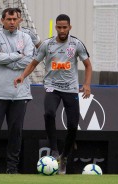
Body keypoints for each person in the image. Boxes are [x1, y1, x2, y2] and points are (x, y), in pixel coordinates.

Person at [14, 14, 92, 175]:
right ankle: (55, 150)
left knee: (72, 125)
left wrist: (86, 85)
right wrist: (23, 75)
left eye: (65, 27)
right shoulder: (47, 45)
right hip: (52, 87)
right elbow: (34, 63)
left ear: (70, 27)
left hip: (70, 89)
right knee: (49, 113)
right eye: (59, 27)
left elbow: (88, 65)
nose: (62, 30)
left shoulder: (76, 44)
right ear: (56, 27)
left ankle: (64, 157)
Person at [0, 8, 34, 174]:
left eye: (15, 19)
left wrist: (8, 59)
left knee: (15, 132)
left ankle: (12, 168)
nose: (12, 22)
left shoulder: (26, 37)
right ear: (2, 20)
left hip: (20, 93)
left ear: (20, 20)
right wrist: (18, 55)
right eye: (9, 19)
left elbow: (29, 60)